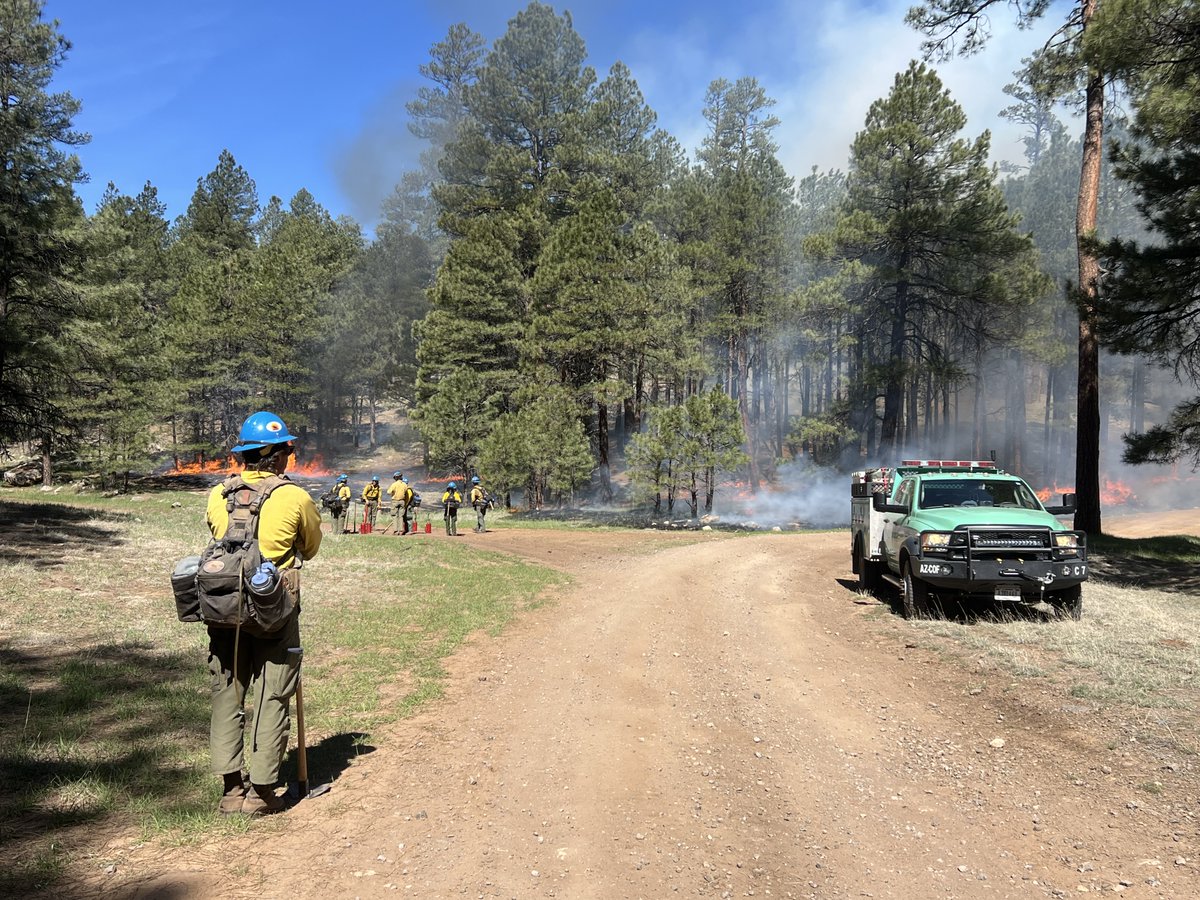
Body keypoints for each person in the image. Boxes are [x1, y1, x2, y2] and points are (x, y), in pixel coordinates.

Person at [205, 411, 322, 816]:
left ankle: (230, 790)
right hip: (275, 611)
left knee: (227, 692)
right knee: (273, 693)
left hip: (224, 608)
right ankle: (263, 792)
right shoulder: (295, 497)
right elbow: (309, 547)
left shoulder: (217, 495)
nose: (290, 456)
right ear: (271, 455)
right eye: (287, 449)